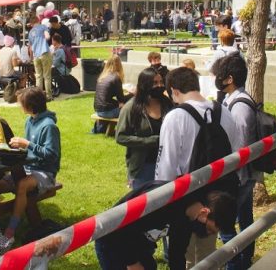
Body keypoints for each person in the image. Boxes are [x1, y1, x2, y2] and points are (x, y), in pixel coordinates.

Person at [156, 67, 243, 266]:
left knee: (180, 255)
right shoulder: (225, 112)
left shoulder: (175, 117)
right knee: (207, 254)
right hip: (216, 198)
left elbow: (166, 167)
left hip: (185, 199)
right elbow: (236, 153)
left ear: (174, 90)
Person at [94, 182, 236, 270]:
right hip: (112, 239)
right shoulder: (160, 201)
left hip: (137, 242)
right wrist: (132, 263)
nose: (208, 234)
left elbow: (177, 253)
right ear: (205, 212)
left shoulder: (189, 217)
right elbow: (123, 228)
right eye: (209, 229)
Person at [213, 54, 259, 270]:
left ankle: (236, 264)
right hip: (242, 174)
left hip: (239, 175)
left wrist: (230, 175)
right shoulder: (233, 100)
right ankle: (245, 259)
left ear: (229, 79)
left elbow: (239, 146)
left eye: (220, 75)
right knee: (245, 217)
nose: (217, 79)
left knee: (226, 221)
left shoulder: (239, 105)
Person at [0, 87, 60, 240]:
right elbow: (29, 150)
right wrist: (15, 148)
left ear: (30, 106)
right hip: (26, 167)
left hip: (45, 172)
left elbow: (51, 155)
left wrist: (27, 144)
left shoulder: (49, 126)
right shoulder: (30, 121)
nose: (19, 106)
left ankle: (11, 229)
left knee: (22, 185)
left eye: (21, 103)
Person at [116, 68, 173, 188]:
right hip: (143, 166)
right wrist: (149, 141)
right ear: (145, 85)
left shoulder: (167, 104)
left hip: (167, 163)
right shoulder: (131, 108)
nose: (160, 86)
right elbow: (120, 137)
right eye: (155, 83)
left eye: (161, 82)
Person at [93, 54, 132, 132]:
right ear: (119, 65)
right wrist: (132, 94)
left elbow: (106, 96)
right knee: (130, 107)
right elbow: (121, 99)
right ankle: (128, 130)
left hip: (98, 109)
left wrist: (119, 103)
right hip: (107, 112)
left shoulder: (102, 76)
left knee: (121, 104)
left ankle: (102, 128)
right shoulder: (116, 77)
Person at [29, 17, 53, 101]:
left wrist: (31, 58)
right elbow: (47, 37)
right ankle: (48, 96)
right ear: (38, 21)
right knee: (47, 76)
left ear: (31, 23)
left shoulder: (30, 32)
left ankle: (38, 96)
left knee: (38, 76)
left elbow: (30, 47)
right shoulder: (43, 27)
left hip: (36, 55)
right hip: (44, 52)